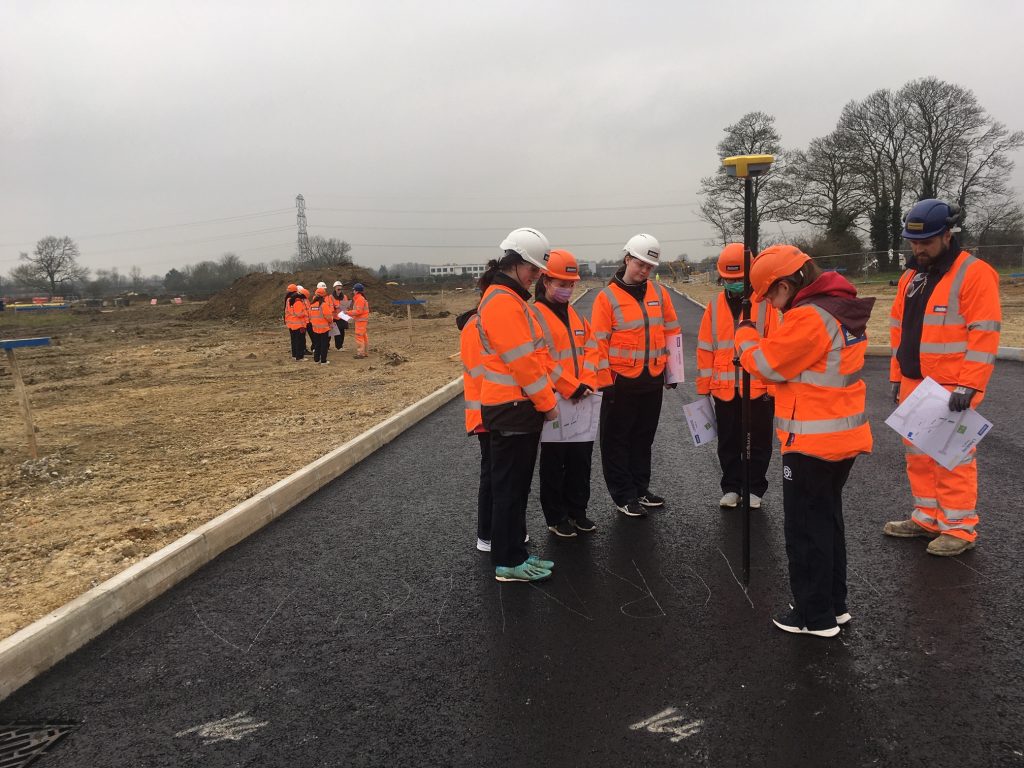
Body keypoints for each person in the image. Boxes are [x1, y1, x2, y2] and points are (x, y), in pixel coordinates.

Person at [736, 245, 874, 638]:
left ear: (786, 284)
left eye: (772, 297)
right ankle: (834, 605)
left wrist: (745, 337)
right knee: (827, 522)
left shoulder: (810, 318)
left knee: (805, 529)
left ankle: (814, 617)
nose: (773, 307)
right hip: (840, 436)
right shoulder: (838, 309)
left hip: (812, 440)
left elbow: (765, 364)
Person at [884, 199, 1002, 556]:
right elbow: (898, 330)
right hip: (915, 383)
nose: (918, 249)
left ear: (947, 236)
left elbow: (985, 332)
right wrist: (896, 375)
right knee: (918, 455)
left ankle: (959, 528)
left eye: (927, 242)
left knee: (952, 457)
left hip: (953, 386)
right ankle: (927, 517)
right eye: (914, 242)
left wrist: (970, 383)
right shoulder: (911, 277)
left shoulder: (974, 273)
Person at [476, 227, 557, 582]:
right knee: (509, 489)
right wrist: (548, 402)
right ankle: (508, 561)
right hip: (512, 409)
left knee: (515, 487)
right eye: (534, 269)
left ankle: (515, 554)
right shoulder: (502, 302)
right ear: (515, 263)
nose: (536, 276)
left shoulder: (506, 298)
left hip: (515, 409)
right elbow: (523, 362)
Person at [591, 234, 681, 518]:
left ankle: (641, 489)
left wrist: (673, 371)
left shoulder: (659, 293)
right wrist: (605, 382)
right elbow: (598, 344)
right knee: (617, 441)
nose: (644, 271)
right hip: (620, 383)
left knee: (644, 438)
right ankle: (624, 495)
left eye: (649, 267)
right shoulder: (606, 298)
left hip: (651, 379)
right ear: (627, 259)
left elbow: (671, 332)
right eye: (640, 264)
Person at [696, 243, 778, 509]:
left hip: (758, 388)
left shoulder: (766, 305)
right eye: (728, 279)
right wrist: (704, 385)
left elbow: (777, 346)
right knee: (728, 442)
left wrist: (773, 387)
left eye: (737, 279)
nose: (733, 284)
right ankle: (731, 487)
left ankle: (754, 488)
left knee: (759, 442)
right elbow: (705, 346)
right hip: (724, 389)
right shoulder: (714, 306)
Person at [531, 249, 599, 538]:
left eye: (571, 284)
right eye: (562, 284)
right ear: (546, 281)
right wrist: (570, 385)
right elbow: (540, 359)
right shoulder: (534, 316)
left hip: (581, 399)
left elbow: (593, 349)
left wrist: (587, 381)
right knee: (554, 461)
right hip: (555, 402)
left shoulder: (575, 315)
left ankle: (577, 511)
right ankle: (556, 516)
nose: (568, 290)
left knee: (580, 459)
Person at [456, 261, 500, 553]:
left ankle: (498, 531)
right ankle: (487, 535)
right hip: (491, 412)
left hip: (496, 410)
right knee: (493, 474)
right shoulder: (479, 324)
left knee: (500, 475)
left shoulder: (485, 320)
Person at [308, 287, 333, 364]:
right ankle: (323, 361)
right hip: (324, 328)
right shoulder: (323, 305)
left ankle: (316, 359)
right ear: (323, 296)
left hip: (315, 328)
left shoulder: (311, 305)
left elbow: (310, 316)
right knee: (324, 345)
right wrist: (331, 321)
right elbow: (329, 317)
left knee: (317, 344)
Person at [284, 285, 309, 361]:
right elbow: (298, 313)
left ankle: (294, 355)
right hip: (299, 324)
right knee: (300, 341)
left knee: (294, 340)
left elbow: (289, 311)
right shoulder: (297, 301)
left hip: (292, 324)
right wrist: (305, 312)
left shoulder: (289, 300)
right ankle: (300, 357)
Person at [349, 283, 370, 358]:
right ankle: (364, 352)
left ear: (357, 291)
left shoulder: (360, 299)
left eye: (354, 290)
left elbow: (358, 311)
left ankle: (360, 354)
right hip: (361, 321)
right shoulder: (360, 298)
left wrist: (348, 313)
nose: (353, 291)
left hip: (360, 321)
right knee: (363, 336)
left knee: (359, 337)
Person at [330, 281, 351, 350]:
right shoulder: (331, 297)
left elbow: (347, 306)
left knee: (342, 332)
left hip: (342, 316)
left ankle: (340, 345)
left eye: (340, 289)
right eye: (338, 289)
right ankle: (338, 346)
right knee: (336, 333)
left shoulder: (344, 297)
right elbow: (329, 307)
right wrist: (335, 307)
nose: (339, 290)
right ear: (335, 288)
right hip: (335, 317)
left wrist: (344, 307)